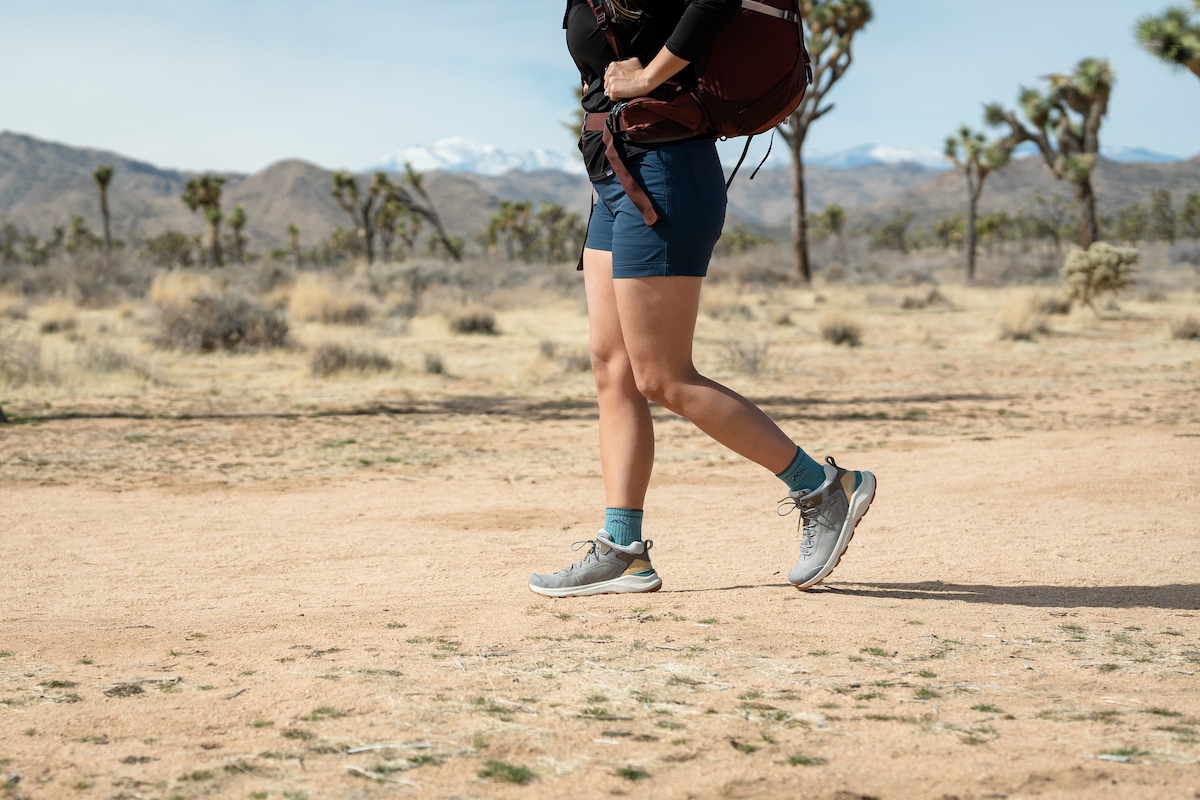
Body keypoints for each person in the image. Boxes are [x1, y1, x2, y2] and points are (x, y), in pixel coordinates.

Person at [531, 0, 875, 597]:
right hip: (615, 173)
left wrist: (645, 78)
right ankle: (622, 550)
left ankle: (822, 487)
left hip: (663, 170)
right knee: (612, 369)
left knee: (663, 376)